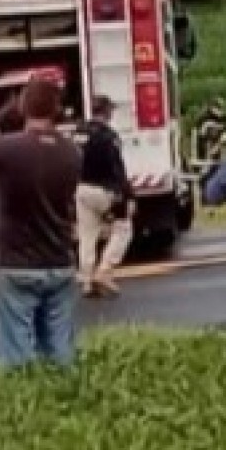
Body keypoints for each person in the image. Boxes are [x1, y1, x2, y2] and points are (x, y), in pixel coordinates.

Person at [0, 78, 83, 370]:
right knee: (61, 353)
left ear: (23, 106)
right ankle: (66, 402)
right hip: (60, 260)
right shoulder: (72, 153)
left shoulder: (3, 149)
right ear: (57, 109)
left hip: (15, 263)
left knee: (15, 358)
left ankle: (25, 408)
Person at [76, 95, 133, 299]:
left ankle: (86, 280)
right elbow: (117, 168)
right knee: (123, 228)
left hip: (81, 188)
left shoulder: (79, 132)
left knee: (87, 234)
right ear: (107, 112)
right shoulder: (109, 136)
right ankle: (105, 271)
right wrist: (127, 195)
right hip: (105, 189)